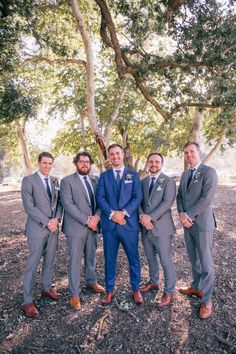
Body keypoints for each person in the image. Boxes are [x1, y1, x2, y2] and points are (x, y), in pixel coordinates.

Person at [96, 143, 143, 305]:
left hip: (128, 224)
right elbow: (100, 198)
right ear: (109, 157)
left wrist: (122, 213)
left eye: (117, 153)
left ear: (122, 154)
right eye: (112, 154)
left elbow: (137, 197)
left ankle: (136, 288)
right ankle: (109, 290)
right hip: (110, 226)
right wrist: (111, 214)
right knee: (109, 259)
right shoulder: (104, 176)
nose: (115, 157)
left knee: (133, 258)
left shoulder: (133, 175)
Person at [176, 141, 218, 319]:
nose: (189, 155)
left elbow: (206, 198)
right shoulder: (185, 174)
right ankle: (196, 287)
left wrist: (188, 215)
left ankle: (206, 300)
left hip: (202, 224)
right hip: (187, 224)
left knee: (206, 262)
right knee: (194, 258)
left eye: (192, 152)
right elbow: (179, 197)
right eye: (186, 153)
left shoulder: (209, 172)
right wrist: (180, 214)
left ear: (199, 152)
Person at [60, 152, 105, 310]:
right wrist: (87, 220)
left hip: (93, 227)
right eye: (81, 162)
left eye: (87, 161)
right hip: (76, 228)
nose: (85, 164)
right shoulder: (66, 181)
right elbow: (68, 204)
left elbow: (102, 200)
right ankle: (74, 293)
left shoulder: (96, 180)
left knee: (91, 256)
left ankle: (91, 281)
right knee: (75, 260)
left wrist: (97, 218)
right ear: (76, 163)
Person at [21, 152, 63, 318]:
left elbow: (59, 204)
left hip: (53, 229)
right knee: (32, 264)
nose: (47, 166)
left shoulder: (55, 181)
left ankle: (46, 289)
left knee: (50, 261)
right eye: (44, 163)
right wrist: (47, 222)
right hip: (37, 229)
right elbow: (29, 206)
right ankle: (28, 300)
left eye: (50, 163)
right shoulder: (29, 180)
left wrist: (56, 220)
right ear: (39, 163)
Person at [139, 152, 176, 306]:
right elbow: (139, 202)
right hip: (145, 228)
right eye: (151, 162)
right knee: (150, 257)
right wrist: (142, 216)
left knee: (165, 261)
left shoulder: (168, 182)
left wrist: (150, 218)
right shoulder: (143, 181)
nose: (154, 164)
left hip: (161, 228)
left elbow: (167, 203)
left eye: (157, 162)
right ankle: (154, 282)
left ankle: (169, 292)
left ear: (161, 164)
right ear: (148, 163)